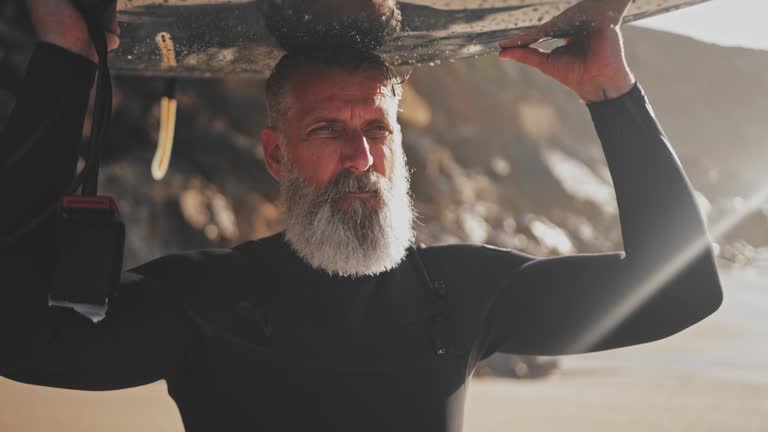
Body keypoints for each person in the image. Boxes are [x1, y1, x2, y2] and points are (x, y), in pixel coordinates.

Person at [1, 1, 722, 431]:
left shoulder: (462, 296)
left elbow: (682, 291)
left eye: (377, 130)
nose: (361, 157)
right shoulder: (206, 303)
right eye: (326, 131)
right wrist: (64, 63)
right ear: (276, 154)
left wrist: (612, 95)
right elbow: (19, 336)